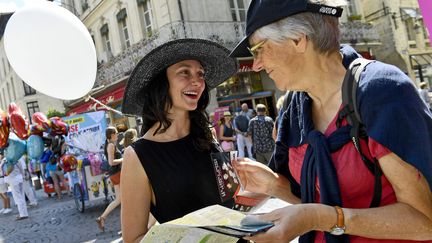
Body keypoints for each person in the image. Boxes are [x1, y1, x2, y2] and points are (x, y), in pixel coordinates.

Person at [229, 0, 432, 242]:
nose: (256, 65)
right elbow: (315, 205)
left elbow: (424, 222)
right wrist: (274, 186)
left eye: (258, 49)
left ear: (298, 39)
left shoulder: (380, 91)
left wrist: (320, 218)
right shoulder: (294, 108)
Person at [120, 38, 238, 242]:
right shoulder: (137, 156)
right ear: (162, 83)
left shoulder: (206, 133)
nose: (197, 82)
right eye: (185, 72)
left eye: (200, 74)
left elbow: (226, 196)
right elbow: (133, 238)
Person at [96, 126, 122, 232]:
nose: (118, 135)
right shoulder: (111, 145)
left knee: (119, 200)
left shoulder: (110, 144)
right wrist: (124, 159)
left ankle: (102, 218)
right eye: (116, 133)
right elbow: (111, 162)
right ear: (112, 135)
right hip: (117, 173)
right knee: (124, 199)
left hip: (116, 173)